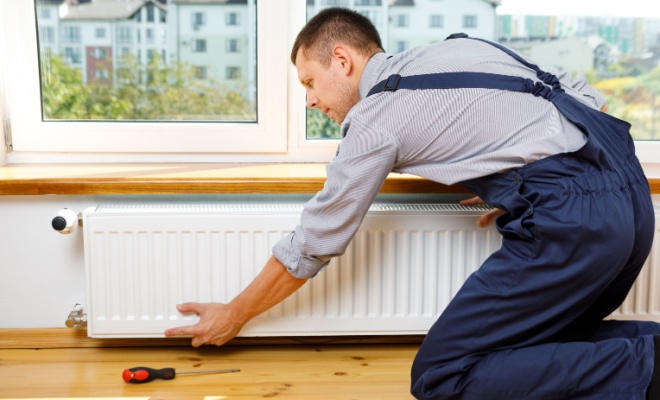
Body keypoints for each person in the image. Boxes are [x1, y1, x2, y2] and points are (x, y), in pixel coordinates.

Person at [165, 7, 658, 399]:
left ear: (342, 59)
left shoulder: (376, 116)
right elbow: (583, 97)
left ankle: (651, 370)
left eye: (309, 82)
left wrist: (235, 313)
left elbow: (315, 241)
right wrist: (520, 180)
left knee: (441, 375)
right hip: (631, 202)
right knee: (541, 340)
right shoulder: (462, 49)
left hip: (575, 222)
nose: (311, 101)